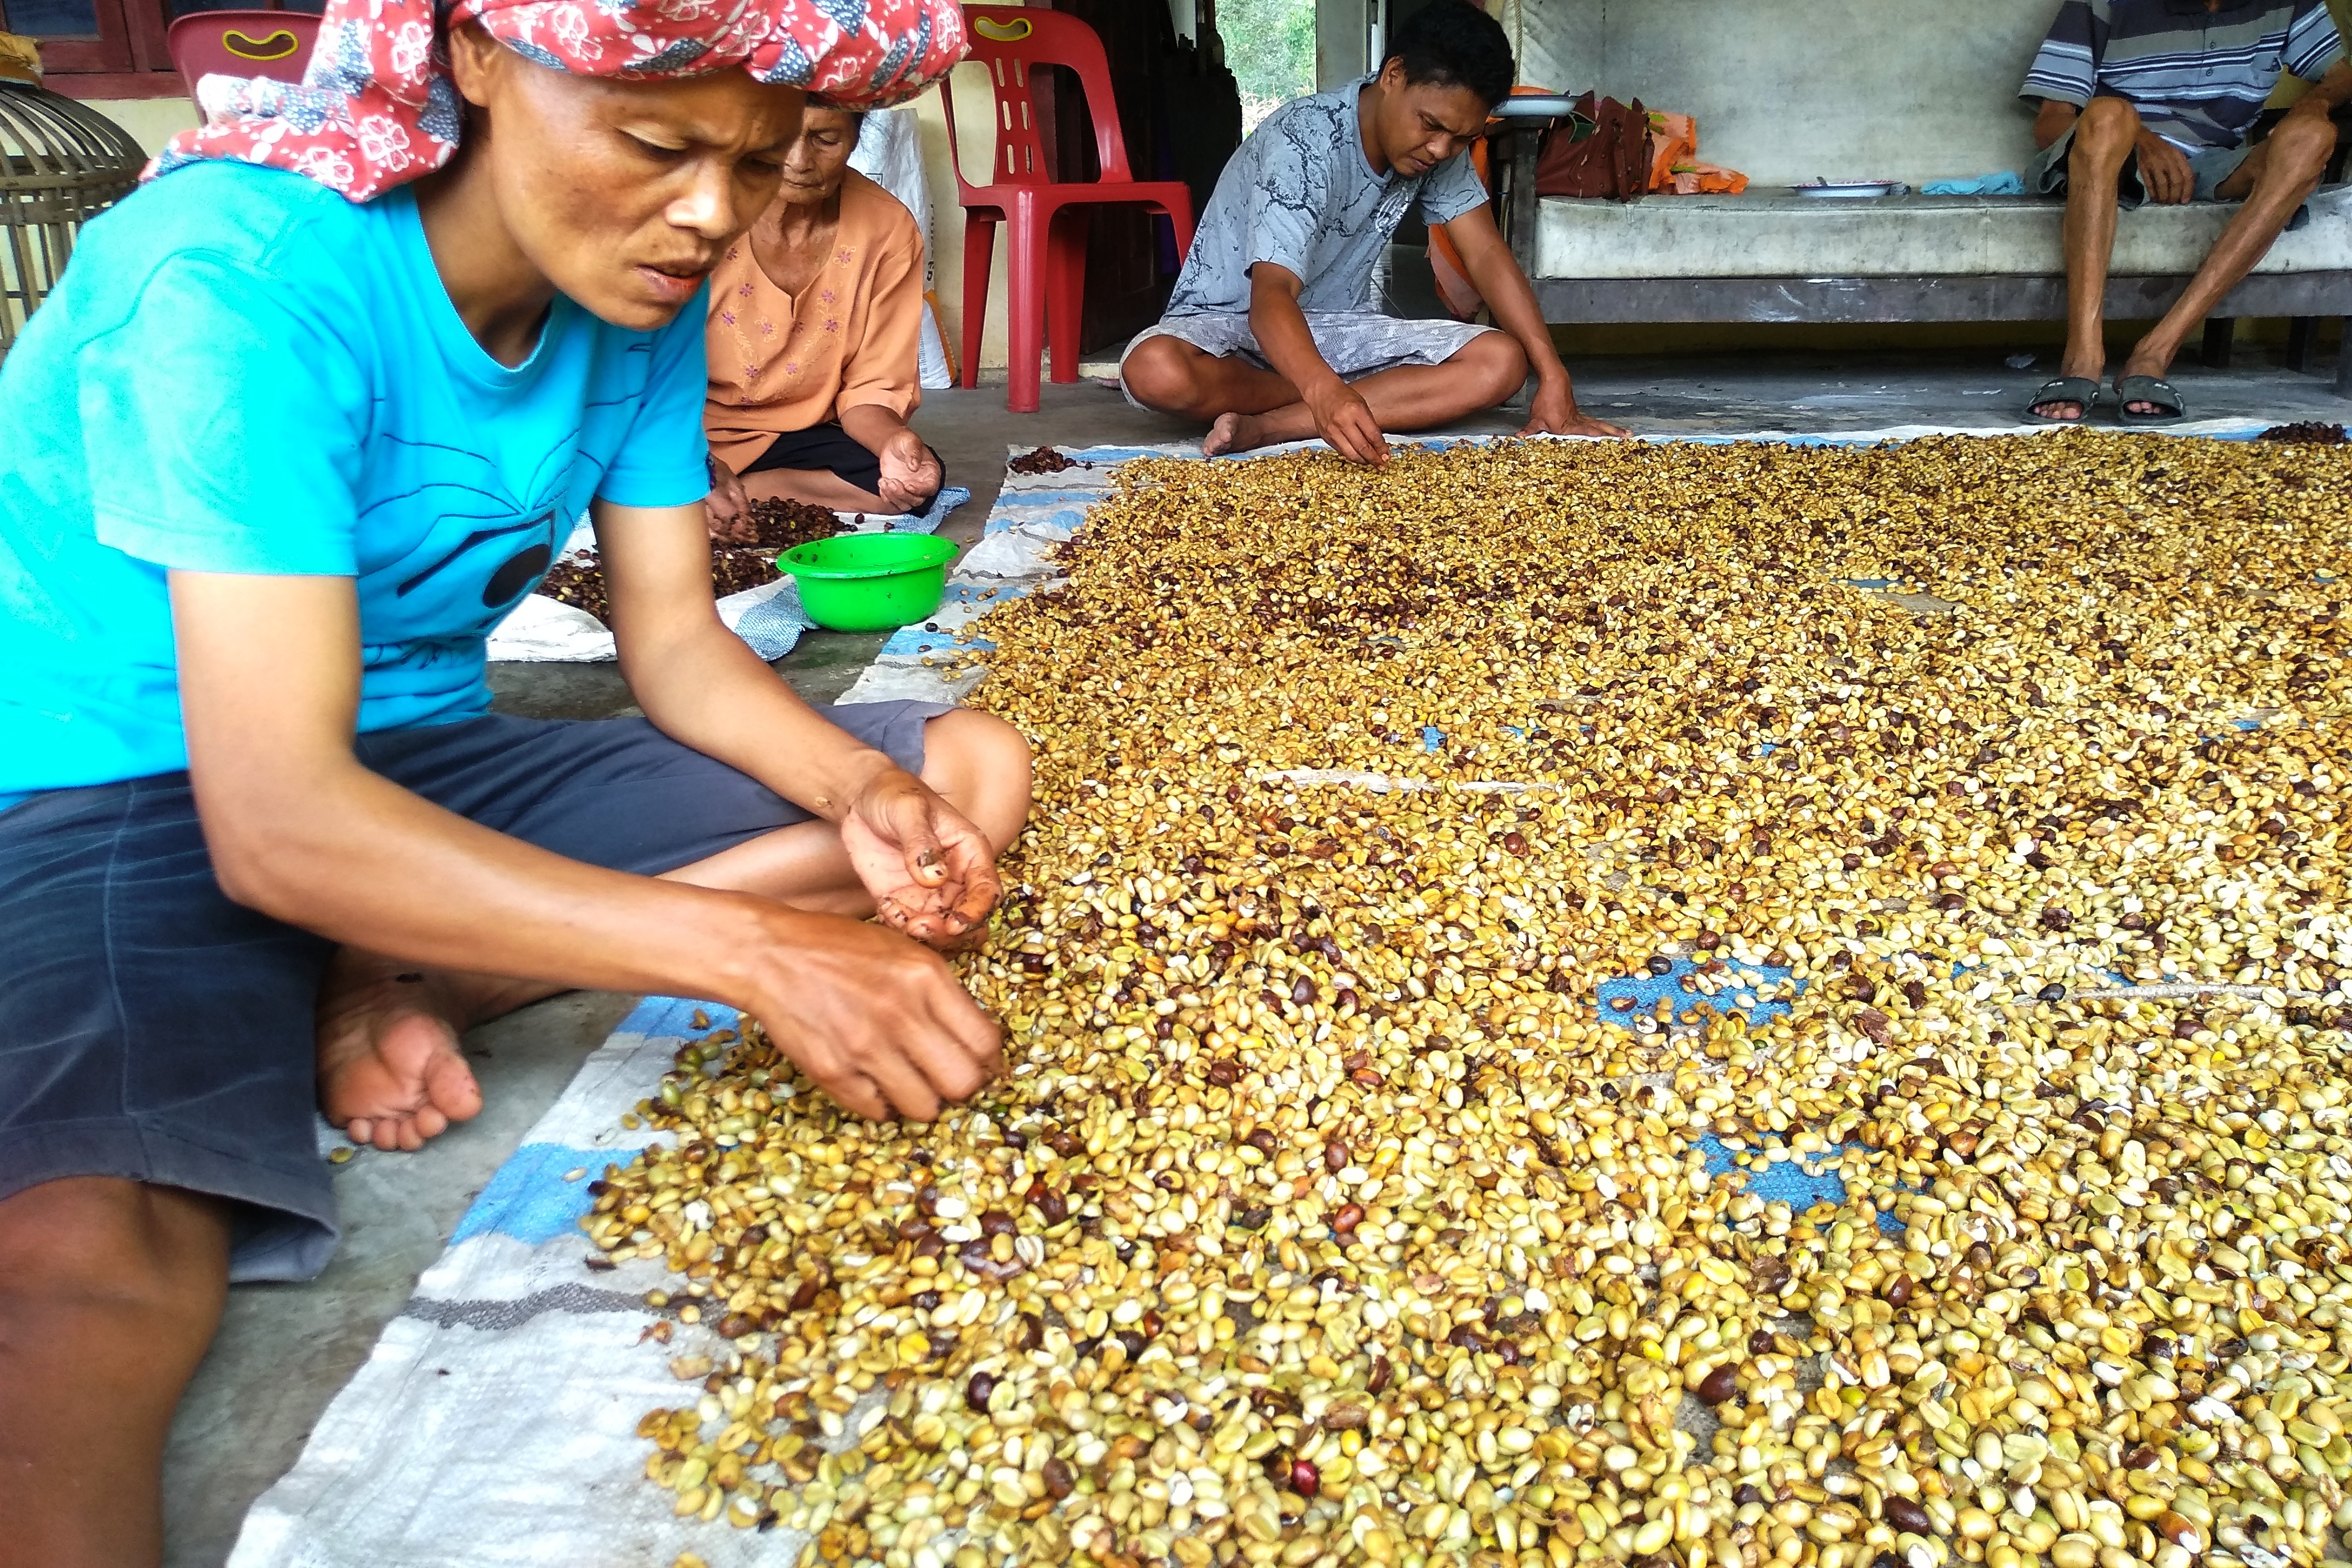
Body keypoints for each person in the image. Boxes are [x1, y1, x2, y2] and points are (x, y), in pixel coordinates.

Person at [0, 1, 1020, 1562]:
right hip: (121, 783)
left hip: (418, 758)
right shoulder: (238, 279)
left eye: (751, 167)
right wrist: (754, 954)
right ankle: (376, 954)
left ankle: (421, 971)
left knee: (962, 772)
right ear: (472, 57)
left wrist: (853, 793)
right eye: (659, 144)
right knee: (94, 1251)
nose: (706, 216)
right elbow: (273, 820)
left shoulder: (634, 294)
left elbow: (675, 645)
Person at [1119, 0, 1627, 461]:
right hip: (1231, 330)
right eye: (1430, 125)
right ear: (1394, 75)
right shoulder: (1303, 142)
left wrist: (1553, 372)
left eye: (1461, 137)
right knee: (1155, 370)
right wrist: (1323, 389)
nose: (1440, 150)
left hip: (1338, 334)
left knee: (1502, 361)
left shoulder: (1441, 150)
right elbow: (1270, 298)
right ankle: (1349, 398)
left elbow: (1487, 254)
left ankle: (1272, 427)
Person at [2021, 0, 2350, 423]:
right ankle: (2082, 358)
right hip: (2112, 157)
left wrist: (2313, 104)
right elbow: (2050, 122)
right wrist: (2140, 138)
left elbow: (2341, 74)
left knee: (2313, 136)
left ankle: (2155, 353)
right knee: (2107, 114)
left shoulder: (2285, 4)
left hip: (2215, 165)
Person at [704, 102, 946, 536]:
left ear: (856, 137)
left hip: (799, 434)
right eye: (781, 137)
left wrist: (892, 441)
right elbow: (635, 378)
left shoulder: (885, 228)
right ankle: (694, 491)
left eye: (825, 140)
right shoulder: (703, 214)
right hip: (684, 429)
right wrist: (692, 465)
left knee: (911, 482)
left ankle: (740, 492)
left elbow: (872, 388)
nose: (799, 161)